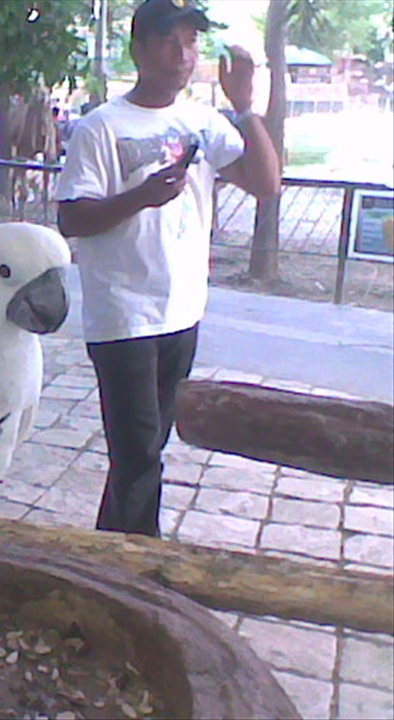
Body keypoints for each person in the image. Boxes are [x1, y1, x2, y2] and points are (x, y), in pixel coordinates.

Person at [56, 0, 280, 537]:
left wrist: (245, 107)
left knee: (147, 449)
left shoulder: (202, 121)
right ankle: (138, 563)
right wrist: (140, 198)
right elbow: (71, 218)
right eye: (168, 43)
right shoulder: (100, 127)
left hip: (181, 312)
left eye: (190, 44)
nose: (182, 56)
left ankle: (113, 554)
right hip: (123, 317)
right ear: (138, 50)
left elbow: (268, 183)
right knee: (138, 457)